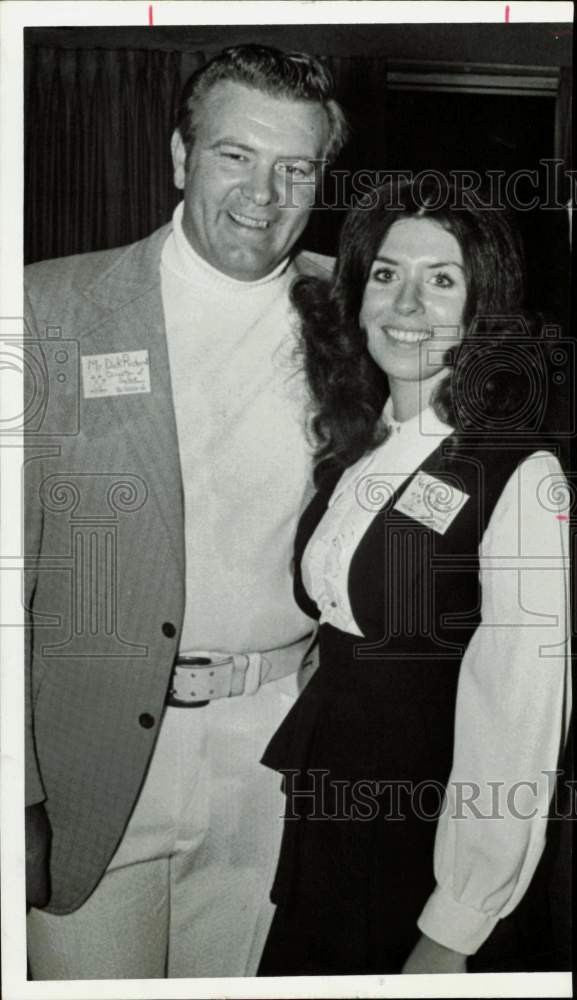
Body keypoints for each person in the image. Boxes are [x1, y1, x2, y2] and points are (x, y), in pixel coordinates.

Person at [24, 44, 347, 979]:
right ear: (178, 156)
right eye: (234, 156)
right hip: (90, 766)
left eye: (296, 167)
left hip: (274, 755)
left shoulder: (353, 308)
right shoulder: (49, 309)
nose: (263, 193)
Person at [257, 177, 571, 976]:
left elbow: (517, 719)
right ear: (356, 294)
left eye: (442, 280)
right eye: (386, 274)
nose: (406, 304)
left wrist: (457, 920)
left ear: (480, 309)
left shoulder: (518, 472)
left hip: (424, 843)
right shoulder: (361, 447)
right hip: (330, 820)